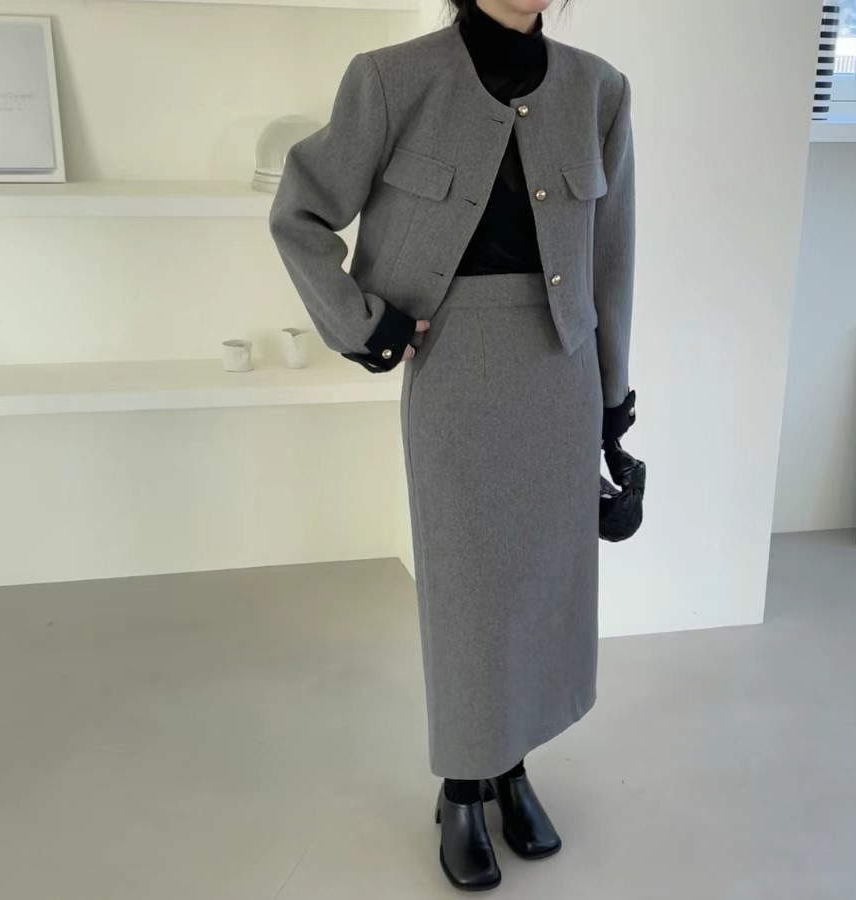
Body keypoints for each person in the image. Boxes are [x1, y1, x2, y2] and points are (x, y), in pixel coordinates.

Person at [268, 0, 637, 890]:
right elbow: (299, 214)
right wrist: (366, 324)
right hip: (455, 364)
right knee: (468, 585)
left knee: (542, 582)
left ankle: (513, 767)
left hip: (560, 367)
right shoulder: (391, 79)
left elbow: (611, 258)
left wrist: (611, 403)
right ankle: (464, 785)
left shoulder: (599, 89)